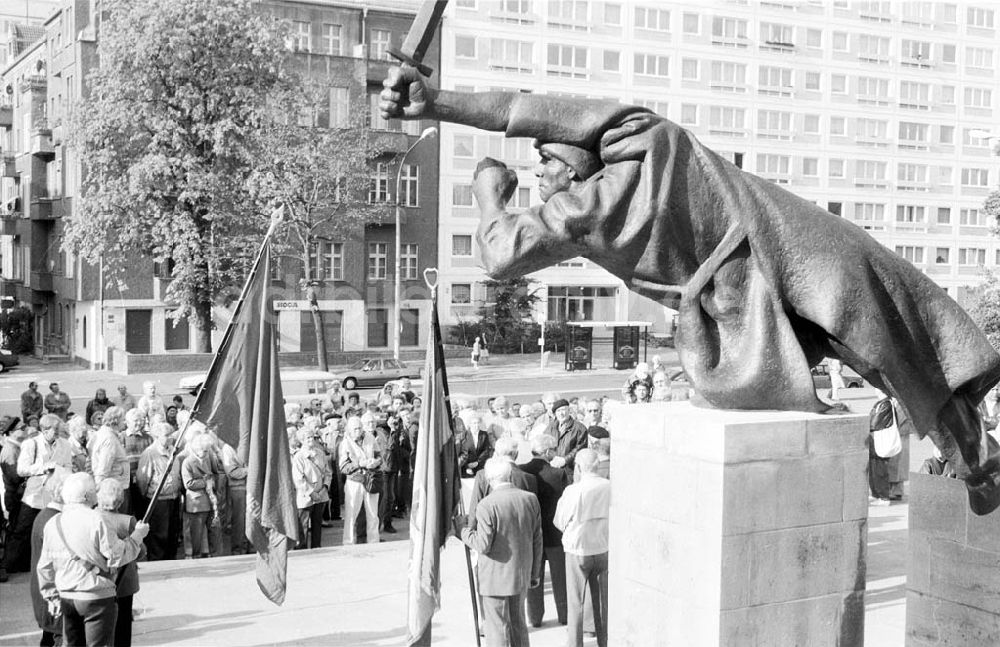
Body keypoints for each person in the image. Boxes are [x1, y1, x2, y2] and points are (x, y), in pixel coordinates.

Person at [380, 66, 1000, 515]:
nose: (537, 173)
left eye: (545, 164)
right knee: (889, 345)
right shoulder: (652, 142)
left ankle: (977, 460)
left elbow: (501, 246)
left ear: (575, 166)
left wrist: (489, 184)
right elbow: (528, 111)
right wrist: (439, 104)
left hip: (778, 263)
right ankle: (976, 460)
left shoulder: (591, 206)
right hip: (787, 252)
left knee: (885, 344)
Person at [37, 473, 148, 647]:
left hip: (66, 595)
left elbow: (44, 567)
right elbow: (117, 555)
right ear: (88, 496)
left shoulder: (53, 523)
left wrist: (51, 597)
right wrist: (137, 537)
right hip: (96, 595)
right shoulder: (96, 519)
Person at [456, 457, 542, 647]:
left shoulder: (487, 504)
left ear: (488, 478)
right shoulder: (530, 499)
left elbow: (482, 544)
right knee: (518, 624)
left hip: (495, 577)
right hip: (520, 573)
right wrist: (534, 573)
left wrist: (462, 531)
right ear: (510, 474)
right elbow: (537, 539)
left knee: (497, 629)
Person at [4, 415, 73, 578]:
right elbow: (22, 469)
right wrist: (44, 468)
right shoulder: (31, 444)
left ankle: (42, 565)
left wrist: (63, 472)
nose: (57, 433)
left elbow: (69, 466)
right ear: (44, 429)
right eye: (54, 430)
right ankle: (9, 565)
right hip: (33, 497)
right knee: (22, 531)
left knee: (53, 532)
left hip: (55, 497)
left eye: (58, 430)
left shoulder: (65, 445)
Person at [555, 449, 611, 647]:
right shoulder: (609, 486)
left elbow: (559, 520)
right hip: (602, 546)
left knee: (575, 602)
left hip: (578, 549)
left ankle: (574, 644)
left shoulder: (574, 490)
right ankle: (604, 641)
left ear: (578, 467)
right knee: (602, 601)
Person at [520, 434, 570, 628]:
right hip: (555, 533)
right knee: (560, 579)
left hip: (532, 533)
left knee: (535, 579)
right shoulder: (559, 474)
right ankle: (564, 615)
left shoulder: (522, 471)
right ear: (548, 451)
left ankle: (535, 617)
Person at [95, 480, 142, 647]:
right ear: (121, 501)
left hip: (102, 578)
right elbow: (141, 550)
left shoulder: (94, 517)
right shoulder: (128, 521)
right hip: (125, 581)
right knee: (123, 625)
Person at [30, 471, 66, 647]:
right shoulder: (53, 520)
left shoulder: (45, 516)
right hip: (52, 597)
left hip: (44, 593)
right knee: (58, 638)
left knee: (48, 638)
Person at [136, 423, 182, 560]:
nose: (169, 439)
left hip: (173, 498)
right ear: (156, 436)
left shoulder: (173, 451)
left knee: (172, 533)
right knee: (159, 535)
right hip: (159, 500)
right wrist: (148, 495)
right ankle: (157, 562)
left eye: (170, 435)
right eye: (166, 436)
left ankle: (171, 561)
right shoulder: (149, 453)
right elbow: (142, 479)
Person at [339, 417, 381, 545]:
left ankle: (374, 541)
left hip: (371, 479)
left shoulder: (370, 437)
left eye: (360, 428)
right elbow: (343, 467)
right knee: (351, 514)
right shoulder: (345, 443)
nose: (359, 431)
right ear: (350, 431)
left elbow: (379, 454)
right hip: (355, 481)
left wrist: (377, 462)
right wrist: (359, 464)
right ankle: (348, 542)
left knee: (373, 513)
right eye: (355, 429)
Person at [292, 426, 330, 549]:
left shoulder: (320, 453)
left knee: (317, 524)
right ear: (302, 440)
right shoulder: (299, 457)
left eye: (312, 437)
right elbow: (298, 479)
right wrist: (311, 492)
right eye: (308, 438)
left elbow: (328, 472)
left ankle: (316, 548)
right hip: (305, 497)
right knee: (303, 526)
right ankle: (302, 550)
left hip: (321, 494)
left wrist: (325, 487)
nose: (311, 440)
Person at [181, 433, 218, 558]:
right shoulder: (188, 462)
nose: (207, 453)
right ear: (196, 449)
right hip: (196, 503)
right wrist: (206, 482)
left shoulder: (208, 457)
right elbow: (188, 483)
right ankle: (195, 555)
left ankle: (210, 554)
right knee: (196, 533)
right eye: (205, 451)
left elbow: (215, 473)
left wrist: (212, 481)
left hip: (209, 500)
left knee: (211, 530)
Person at [91, 407, 132, 514]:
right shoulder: (109, 439)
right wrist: (100, 492)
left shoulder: (107, 434)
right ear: (115, 420)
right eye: (123, 419)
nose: (125, 422)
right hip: (114, 489)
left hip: (116, 485)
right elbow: (103, 468)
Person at [546, 399, 589, 474]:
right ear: (555, 413)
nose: (561, 413)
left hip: (571, 470)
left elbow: (580, 448)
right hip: (553, 468)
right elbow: (546, 445)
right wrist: (554, 458)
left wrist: (565, 460)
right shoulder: (550, 428)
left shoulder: (580, 428)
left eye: (563, 410)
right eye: (558, 411)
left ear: (569, 411)